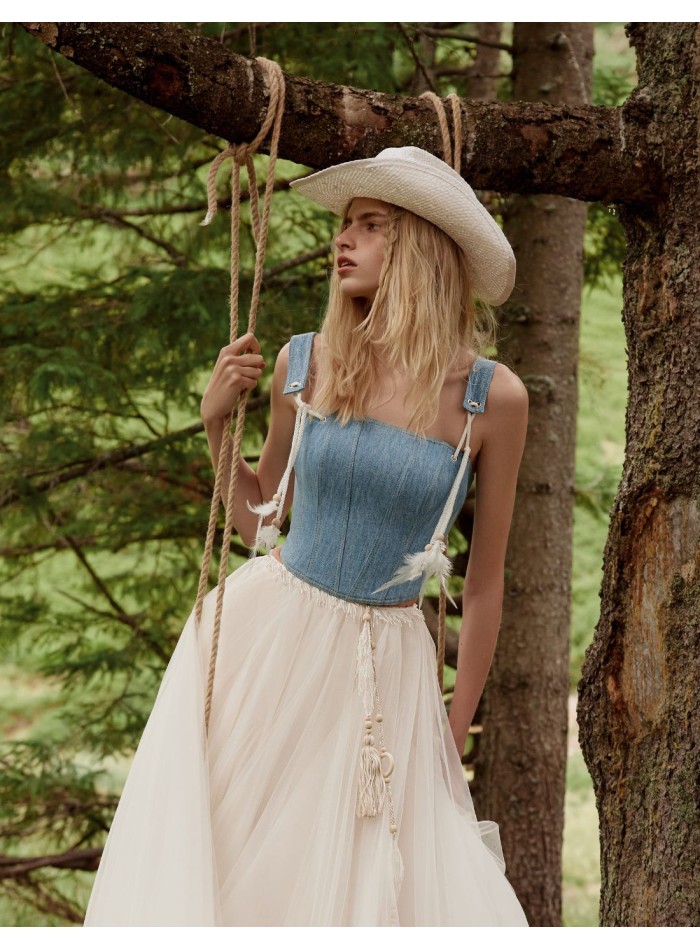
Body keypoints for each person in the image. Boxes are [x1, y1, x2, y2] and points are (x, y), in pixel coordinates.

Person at [84, 146, 529, 927]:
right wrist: (217, 422)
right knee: (245, 858)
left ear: (420, 243)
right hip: (276, 639)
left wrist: (451, 731)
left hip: (389, 669)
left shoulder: (492, 399)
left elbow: (486, 582)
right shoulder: (307, 361)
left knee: (376, 878)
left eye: (370, 223)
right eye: (344, 223)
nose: (343, 239)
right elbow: (260, 516)